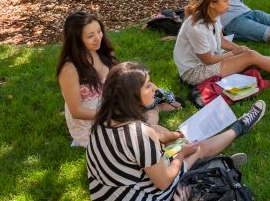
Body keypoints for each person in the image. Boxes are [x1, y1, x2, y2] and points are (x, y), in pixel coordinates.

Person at [86, 61, 266, 201]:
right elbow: (163, 181)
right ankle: (240, 127)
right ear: (131, 97)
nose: (155, 88)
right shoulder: (140, 134)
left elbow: (147, 139)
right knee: (197, 149)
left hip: (104, 198)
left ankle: (210, 163)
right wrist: (181, 155)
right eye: (148, 86)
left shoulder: (104, 119)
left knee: (173, 141)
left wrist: (175, 135)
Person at [56, 11, 181, 147]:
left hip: (110, 107)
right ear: (76, 40)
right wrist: (114, 115)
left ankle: (168, 131)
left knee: (145, 117)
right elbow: (76, 112)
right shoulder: (69, 69)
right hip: (92, 122)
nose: (98, 38)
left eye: (99, 31)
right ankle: (174, 137)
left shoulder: (102, 52)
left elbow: (119, 80)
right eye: (90, 36)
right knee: (140, 133)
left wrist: (146, 86)